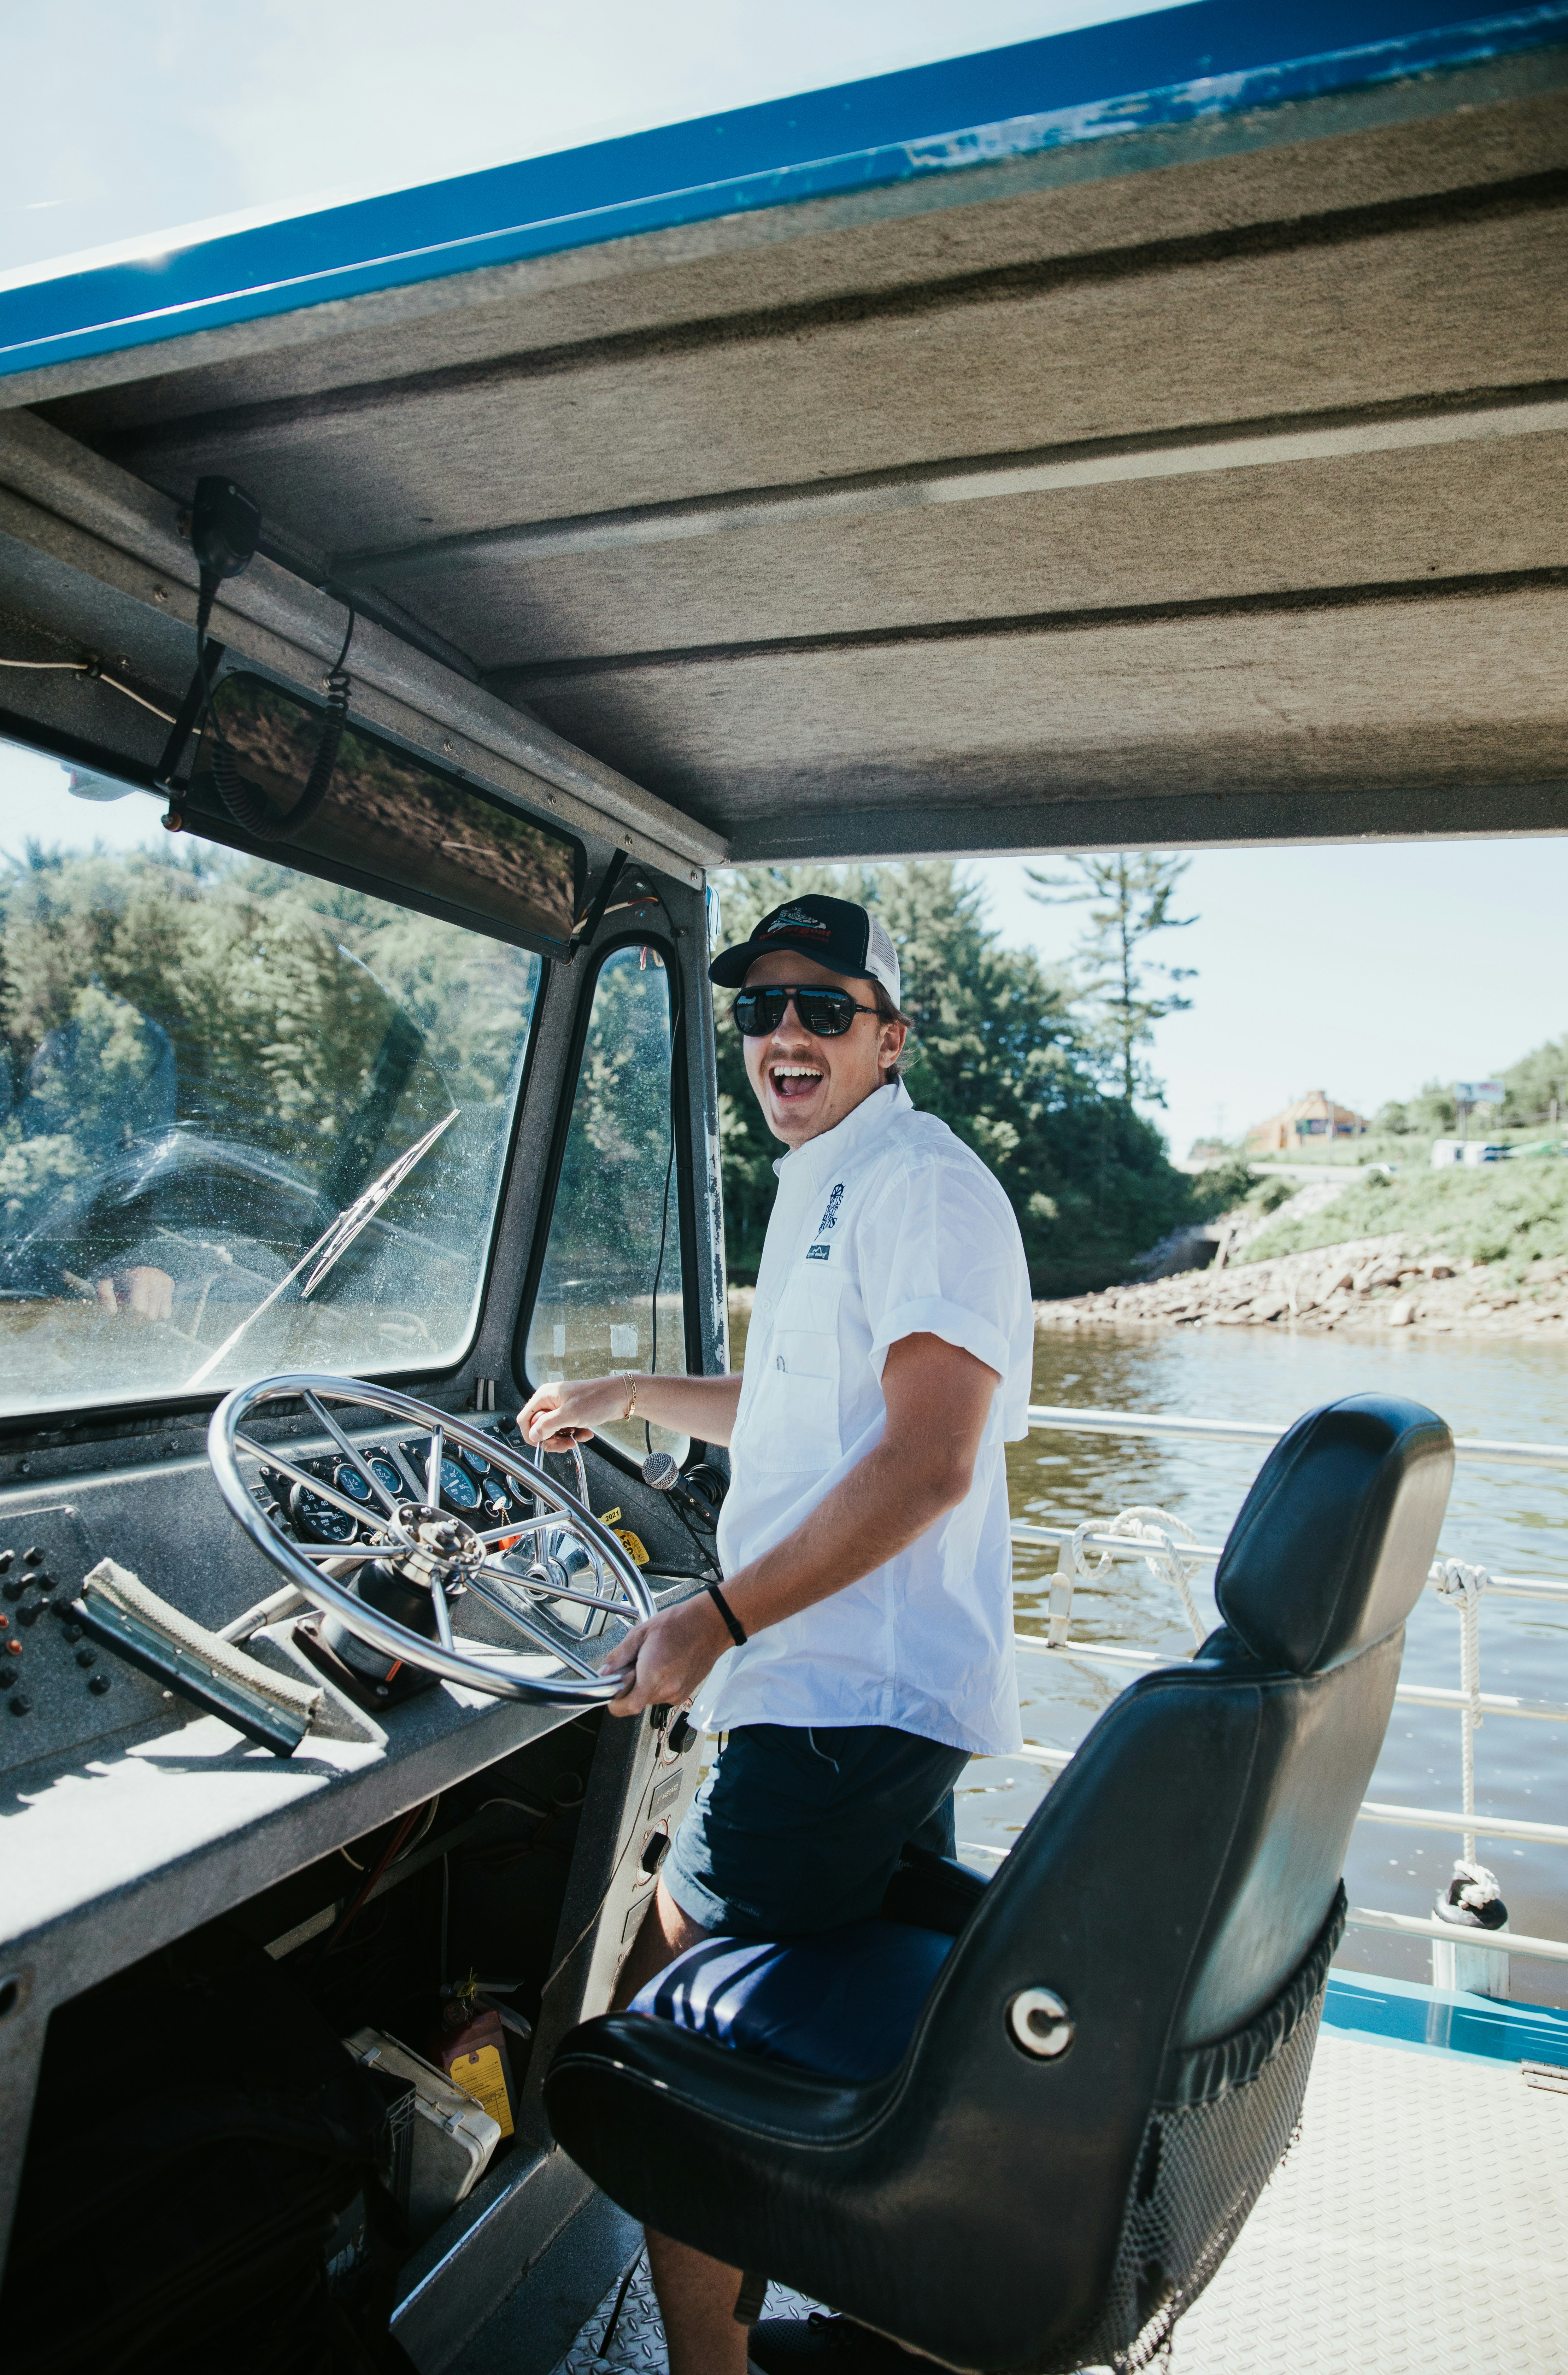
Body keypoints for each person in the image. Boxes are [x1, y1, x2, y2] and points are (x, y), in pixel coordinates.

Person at [518, 894, 1033, 2375]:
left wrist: (714, 1618)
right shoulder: (825, 1179)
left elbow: (929, 1460)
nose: (785, 1035)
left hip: (835, 1701)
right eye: (760, 1010)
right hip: (846, 1694)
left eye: (823, 1008)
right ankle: (890, 2311)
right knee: (854, 2046)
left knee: (660, 2058)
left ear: (890, 1036)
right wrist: (632, 1393)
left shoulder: (923, 1190)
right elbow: (808, 1416)